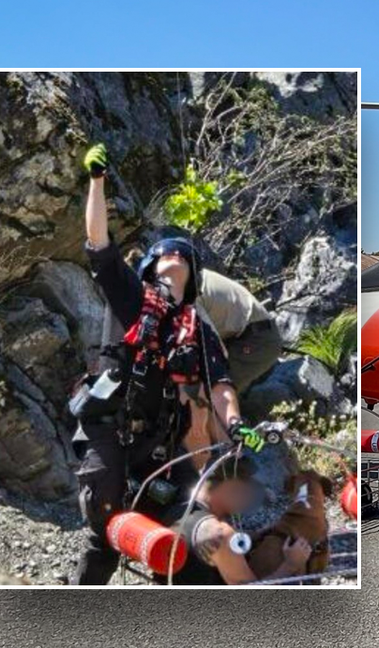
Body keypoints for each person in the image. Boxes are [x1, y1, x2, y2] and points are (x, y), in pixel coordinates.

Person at [70, 143, 265, 585]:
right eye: (165, 252)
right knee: (103, 533)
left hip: (163, 441)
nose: (174, 256)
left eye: (182, 255)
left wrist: (234, 423)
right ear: (150, 265)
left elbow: (220, 386)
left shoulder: (198, 327)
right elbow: (99, 245)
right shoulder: (132, 298)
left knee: (195, 517)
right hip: (111, 429)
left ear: (194, 277)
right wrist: (97, 182)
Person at [172, 455, 313, 585]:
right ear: (232, 487)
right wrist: (290, 564)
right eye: (248, 491)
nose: (250, 500)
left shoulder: (177, 504)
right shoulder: (219, 535)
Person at [197, 268, 282, 395]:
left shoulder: (185, 292)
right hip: (251, 335)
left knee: (213, 396)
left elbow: (214, 348)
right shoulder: (189, 272)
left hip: (255, 340)